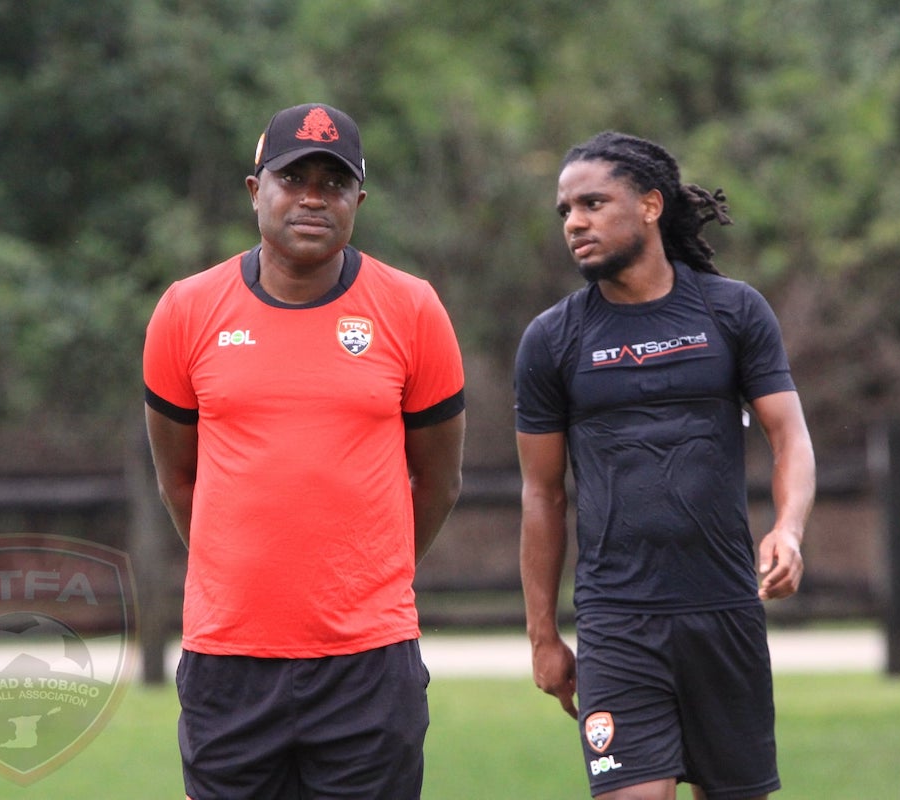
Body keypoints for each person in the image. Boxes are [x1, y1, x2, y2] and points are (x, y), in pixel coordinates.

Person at [143, 102, 466, 800]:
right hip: (228, 660)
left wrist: (369, 580)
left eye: (334, 181)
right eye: (294, 178)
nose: (313, 197)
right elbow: (177, 478)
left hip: (368, 665)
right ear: (256, 191)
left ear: (359, 199)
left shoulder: (412, 309)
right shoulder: (185, 311)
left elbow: (438, 481)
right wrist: (239, 580)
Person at [514, 131, 815, 800]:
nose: (575, 223)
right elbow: (542, 494)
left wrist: (788, 528)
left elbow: (789, 436)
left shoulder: (732, 311)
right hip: (617, 621)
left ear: (651, 205)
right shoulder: (552, 339)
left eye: (593, 203)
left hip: (725, 611)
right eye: (565, 210)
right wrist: (543, 636)